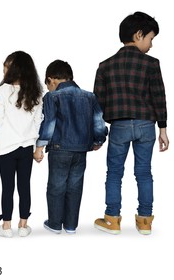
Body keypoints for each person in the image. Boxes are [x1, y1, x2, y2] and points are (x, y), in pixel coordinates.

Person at [93, 11, 169, 235]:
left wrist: (97, 134)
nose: (151, 45)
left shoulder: (105, 65)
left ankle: (112, 219)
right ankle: (145, 221)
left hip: (119, 127)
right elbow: (159, 97)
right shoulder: (152, 64)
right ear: (138, 35)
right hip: (147, 125)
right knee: (144, 172)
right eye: (151, 39)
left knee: (114, 173)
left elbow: (98, 104)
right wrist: (162, 129)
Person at [34, 60, 107, 234]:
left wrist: (40, 146)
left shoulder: (52, 97)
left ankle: (54, 223)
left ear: (51, 79)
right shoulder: (90, 96)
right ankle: (71, 225)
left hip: (60, 148)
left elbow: (49, 122)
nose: (48, 89)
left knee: (56, 187)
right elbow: (99, 121)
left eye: (48, 85)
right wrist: (98, 140)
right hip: (81, 150)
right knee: (75, 187)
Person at [0, 51, 43, 238]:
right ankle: (23, 226)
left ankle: (6, 227)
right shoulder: (36, 93)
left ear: (14, 69)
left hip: (7, 148)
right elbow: (38, 121)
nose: (3, 69)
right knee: (25, 186)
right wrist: (37, 146)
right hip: (26, 147)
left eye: (6, 66)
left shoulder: (3, 91)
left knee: (7, 187)